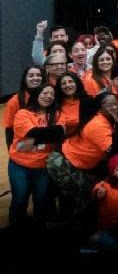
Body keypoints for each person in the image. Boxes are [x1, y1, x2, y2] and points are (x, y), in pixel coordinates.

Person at [49, 91, 118, 218]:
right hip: (65, 164)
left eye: (116, 104)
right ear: (101, 106)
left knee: (83, 195)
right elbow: (112, 151)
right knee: (82, 199)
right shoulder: (98, 124)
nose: (115, 108)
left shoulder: (105, 117)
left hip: (77, 162)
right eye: (110, 105)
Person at [8, 84, 61, 227]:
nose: (48, 96)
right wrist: (50, 134)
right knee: (20, 199)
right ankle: (16, 225)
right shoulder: (22, 113)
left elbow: (58, 134)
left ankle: (39, 227)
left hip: (43, 167)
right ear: (37, 94)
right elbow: (33, 134)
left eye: (52, 94)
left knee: (41, 200)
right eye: (45, 93)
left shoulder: (56, 115)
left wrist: (33, 139)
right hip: (19, 166)